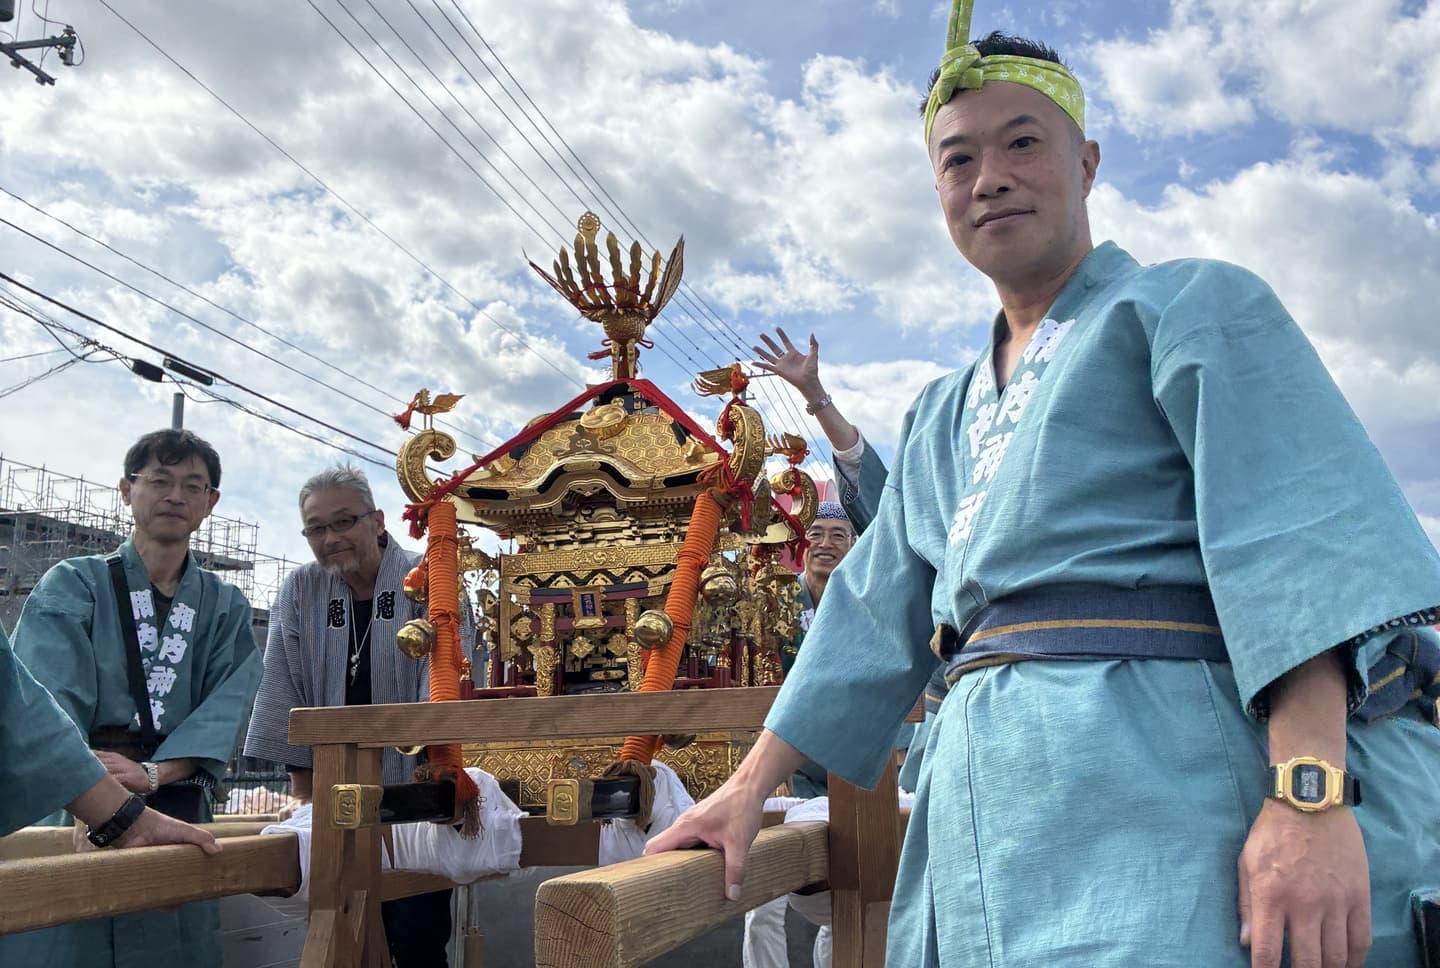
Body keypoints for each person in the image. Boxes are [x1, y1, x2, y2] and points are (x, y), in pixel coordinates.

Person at [650, 2, 1440, 966]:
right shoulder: (940, 411)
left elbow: (1297, 548)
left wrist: (1307, 797)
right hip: (981, 804)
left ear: (1088, 162)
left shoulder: (1190, 305)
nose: (990, 179)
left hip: (1173, 787)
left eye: (1023, 142)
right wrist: (746, 787)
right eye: (957, 160)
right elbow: (867, 612)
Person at [1, 428, 263, 968]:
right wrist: (88, 782)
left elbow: (228, 700)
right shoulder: (72, 582)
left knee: (174, 934)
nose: (175, 496)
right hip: (82, 788)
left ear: (211, 502)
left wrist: (156, 773)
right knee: (71, 936)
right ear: (126, 489)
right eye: (159, 480)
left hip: (180, 791)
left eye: (194, 485)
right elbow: (45, 696)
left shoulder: (225, 605)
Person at [245, 464, 469, 968]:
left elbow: (446, 683)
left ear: (378, 521)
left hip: (415, 793)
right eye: (316, 528)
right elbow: (285, 688)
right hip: (332, 794)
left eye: (344, 522)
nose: (331, 538)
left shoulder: (428, 580)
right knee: (339, 921)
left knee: (415, 936)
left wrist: (425, 785)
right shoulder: (302, 590)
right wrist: (302, 797)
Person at [744, 502, 856, 968]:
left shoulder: (861, 602)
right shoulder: (775, 601)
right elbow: (754, 676)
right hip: (783, 761)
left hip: (846, 762)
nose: (825, 544)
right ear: (800, 544)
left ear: (853, 549)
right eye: (817, 533)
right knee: (760, 893)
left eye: (838, 536)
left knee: (842, 888)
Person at [1, 623, 223, 853]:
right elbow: (28, 705)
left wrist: (148, 783)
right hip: (85, 793)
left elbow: (225, 708)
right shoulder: (69, 591)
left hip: (164, 795)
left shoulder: (223, 603)